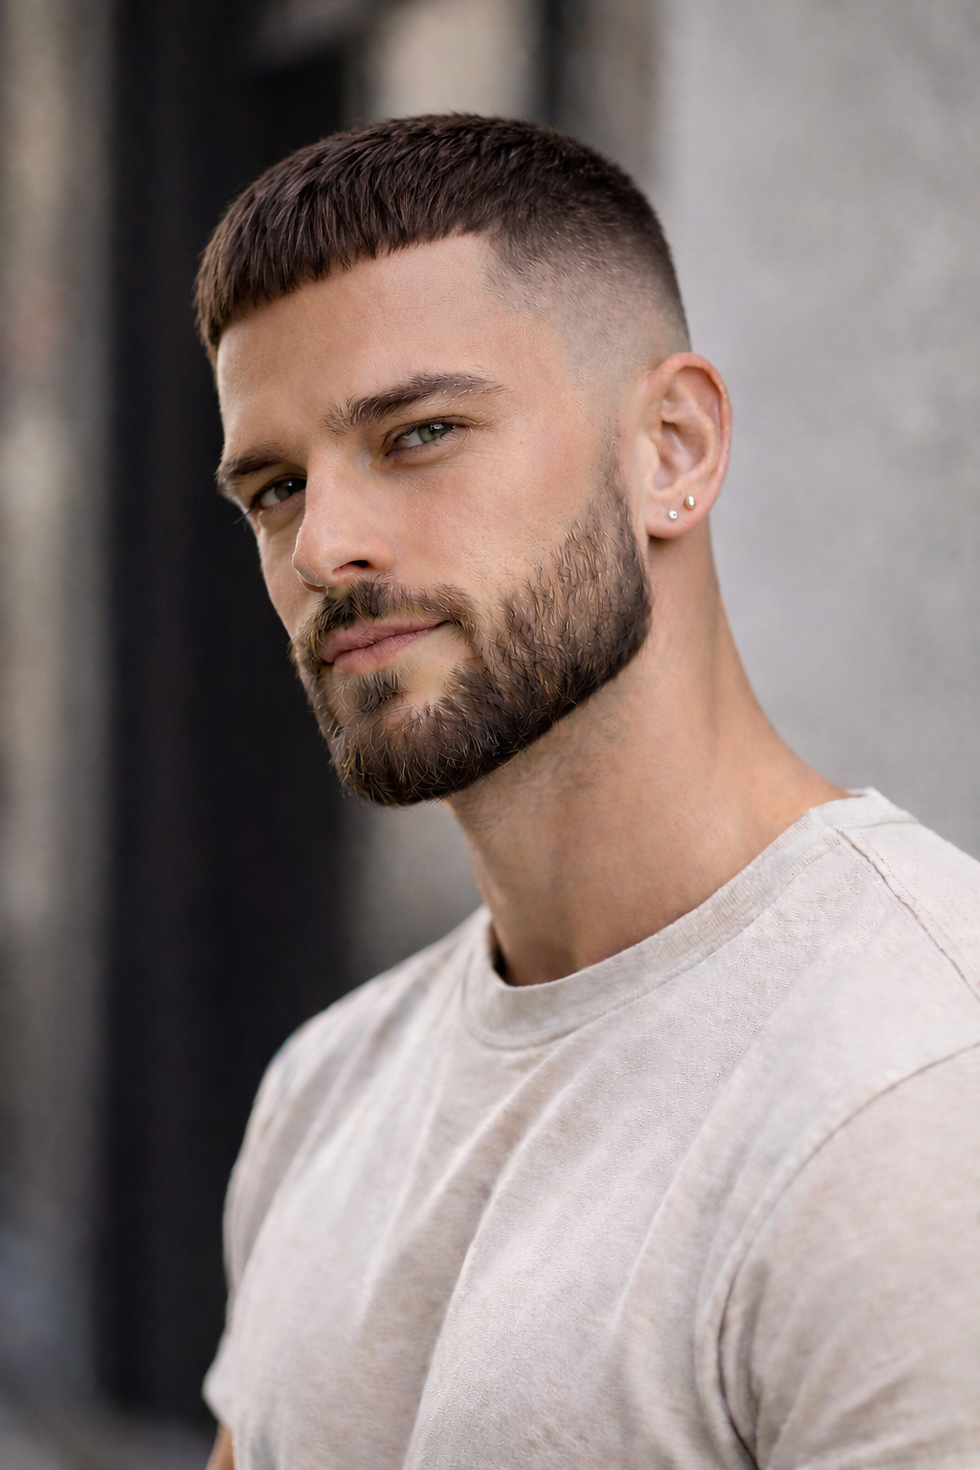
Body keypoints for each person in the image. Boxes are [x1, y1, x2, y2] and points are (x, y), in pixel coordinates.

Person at [197, 116, 980, 1470]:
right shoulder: (322, 1090)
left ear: (671, 448)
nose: (325, 546)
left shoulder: (915, 1094)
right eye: (274, 489)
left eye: (420, 431)